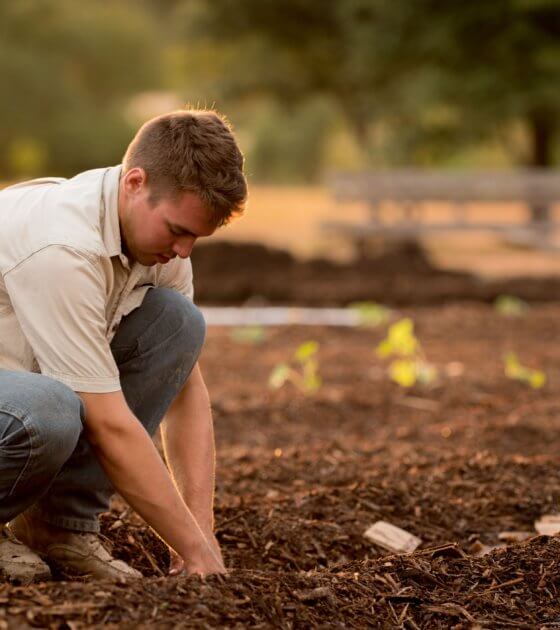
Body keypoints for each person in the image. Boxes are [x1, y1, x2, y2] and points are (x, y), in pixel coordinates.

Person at [0, 109, 247, 583]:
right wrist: (193, 551)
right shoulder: (64, 247)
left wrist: (199, 533)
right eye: (178, 230)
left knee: (178, 325)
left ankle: (57, 528)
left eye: (196, 236)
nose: (184, 251)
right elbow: (109, 424)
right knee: (48, 410)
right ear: (135, 182)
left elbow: (184, 387)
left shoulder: (159, 245)